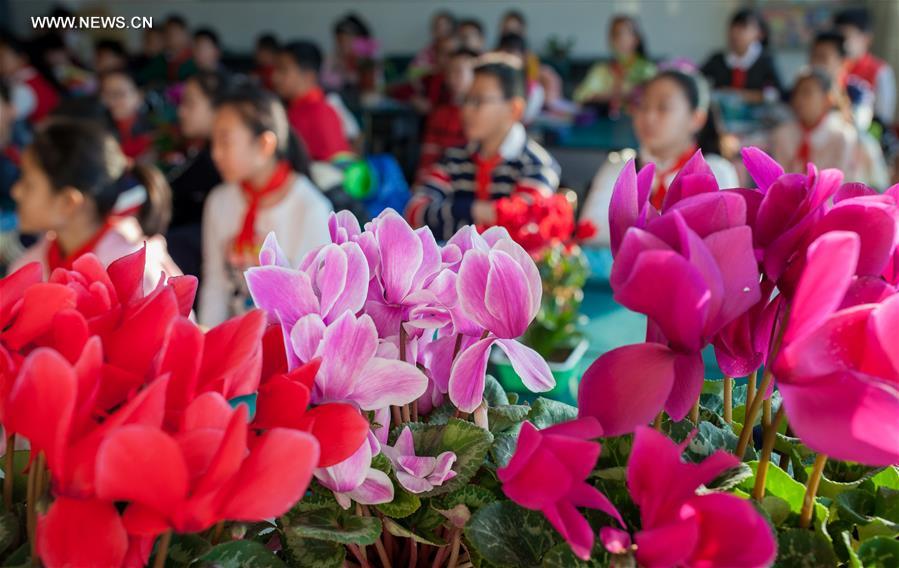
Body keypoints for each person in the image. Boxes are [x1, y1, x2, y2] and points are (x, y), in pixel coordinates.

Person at [199, 84, 332, 327]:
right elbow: (216, 283)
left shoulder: (309, 207)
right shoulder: (219, 202)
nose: (215, 154)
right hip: (234, 340)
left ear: (264, 145)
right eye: (213, 142)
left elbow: (311, 304)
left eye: (225, 141)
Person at [8, 117, 180, 290]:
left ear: (69, 202)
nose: (16, 191)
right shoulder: (28, 267)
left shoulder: (136, 273)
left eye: (28, 184)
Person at [407, 55, 560, 240]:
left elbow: (523, 227)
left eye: (478, 101)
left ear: (514, 109)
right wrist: (477, 210)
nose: (466, 110)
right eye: (465, 99)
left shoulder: (538, 165)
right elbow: (415, 211)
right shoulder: (454, 159)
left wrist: (454, 214)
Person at [581, 69, 739, 247]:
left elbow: (722, 239)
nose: (649, 116)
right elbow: (590, 232)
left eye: (663, 108)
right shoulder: (620, 167)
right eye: (643, 106)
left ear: (696, 119)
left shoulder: (715, 171)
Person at [166, 71, 225, 280]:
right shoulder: (203, 154)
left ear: (218, 109)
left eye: (190, 104)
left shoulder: (215, 162)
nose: (181, 112)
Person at [272, 40, 352, 162]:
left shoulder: (321, 113)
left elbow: (337, 168)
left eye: (283, 70)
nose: (275, 77)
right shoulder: (293, 108)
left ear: (308, 76)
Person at [770, 69, 859, 178]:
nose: (799, 99)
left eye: (807, 93)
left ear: (827, 99)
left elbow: (842, 181)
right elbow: (780, 179)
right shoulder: (783, 134)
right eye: (796, 93)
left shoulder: (842, 136)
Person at [573, 15, 656, 114]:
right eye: (614, 34)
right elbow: (580, 96)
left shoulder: (647, 69)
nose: (619, 39)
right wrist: (619, 95)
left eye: (624, 33)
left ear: (636, 39)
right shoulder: (601, 70)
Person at [416, 47, 478, 180]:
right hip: (441, 181)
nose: (451, 78)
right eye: (449, 72)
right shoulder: (439, 114)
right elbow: (428, 157)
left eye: (458, 72)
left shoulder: (485, 116)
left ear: (476, 74)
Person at [700, 8, 782, 104]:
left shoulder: (765, 61)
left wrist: (744, 95)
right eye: (733, 27)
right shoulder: (717, 59)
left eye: (743, 27)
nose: (735, 32)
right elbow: (697, 81)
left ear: (760, 34)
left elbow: (778, 94)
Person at [834, 8, 896, 127]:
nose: (841, 44)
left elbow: (883, 119)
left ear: (867, 38)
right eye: (837, 38)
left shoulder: (880, 71)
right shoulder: (833, 67)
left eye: (846, 36)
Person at [0, 31, 61, 125]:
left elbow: (7, 118)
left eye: (2, 57)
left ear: (22, 59)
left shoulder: (22, 87)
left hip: (42, 130)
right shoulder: (31, 74)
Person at [98, 69, 154, 162]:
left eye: (119, 94)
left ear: (139, 96)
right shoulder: (95, 127)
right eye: (106, 94)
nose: (111, 101)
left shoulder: (154, 132)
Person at [321, 13, 379, 95]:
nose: (344, 45)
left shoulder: (368, 58)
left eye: (348, 40)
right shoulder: (331, 59)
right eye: (340, 41)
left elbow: (373, 86)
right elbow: (326, 83)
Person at [496, 33, 545, 123]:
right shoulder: (490, 81)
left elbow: (526, 118)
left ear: (524, 57)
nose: (506, 59)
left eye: (511, 54)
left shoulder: (535, 89)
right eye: (502, 54)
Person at [409, 11, 457, 80]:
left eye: (444, 25)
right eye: (437, 26)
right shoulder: (428, 50)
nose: (441, 29)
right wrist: (434, 69)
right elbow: (412, 71)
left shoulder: (459, 46)